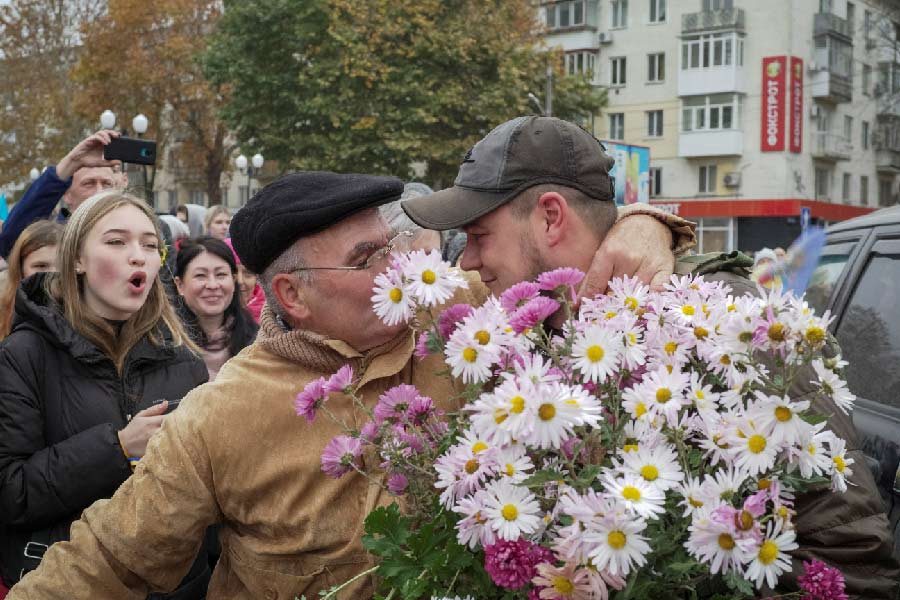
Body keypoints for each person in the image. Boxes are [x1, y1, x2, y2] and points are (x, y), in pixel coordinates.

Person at [6, 169, 690, 599]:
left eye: (391, 248)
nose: (398, 272)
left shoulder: (459, 326)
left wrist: (648, 222)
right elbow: (114, 560)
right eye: (368, 260)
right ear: (291, 296)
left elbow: (572, 266)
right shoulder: (220, 414)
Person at [402, 115, 900, 597]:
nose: (464, 260)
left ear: (551, 217)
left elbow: (851, 555)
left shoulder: (725, 324)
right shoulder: (544, 332)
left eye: (478, 236)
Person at [0, 191, 213, 597]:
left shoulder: (185, 362)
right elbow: (12, 493)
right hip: (64, 582)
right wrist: (116, 448)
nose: (138, 256)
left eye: (150, 245)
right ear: (77, 260)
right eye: (117, 242)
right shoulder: (22, 356)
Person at [0, 130, 120, 259]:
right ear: (67, 195)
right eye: (88, 184)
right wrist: (71, 163)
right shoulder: (53, 237)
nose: (99, 192)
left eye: (107, 184)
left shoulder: (131, 230)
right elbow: (12, 243)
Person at [174, 237, 258, 380]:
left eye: (221, 275)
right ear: (180, 285)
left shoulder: (257, 344)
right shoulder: (164, 345)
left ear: (233, 280)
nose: (213, 285)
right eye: (200, 276)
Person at [0, 220, 63, 340]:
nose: (53, 273)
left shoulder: (90, 312)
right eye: (41, 266)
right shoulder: (3, 311)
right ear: (20, 269)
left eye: (62, 265)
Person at [223, 238, 265, 323]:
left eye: (248, 273)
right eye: (233, 272)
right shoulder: (208, 317)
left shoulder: (272, 317)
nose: (240, 281)